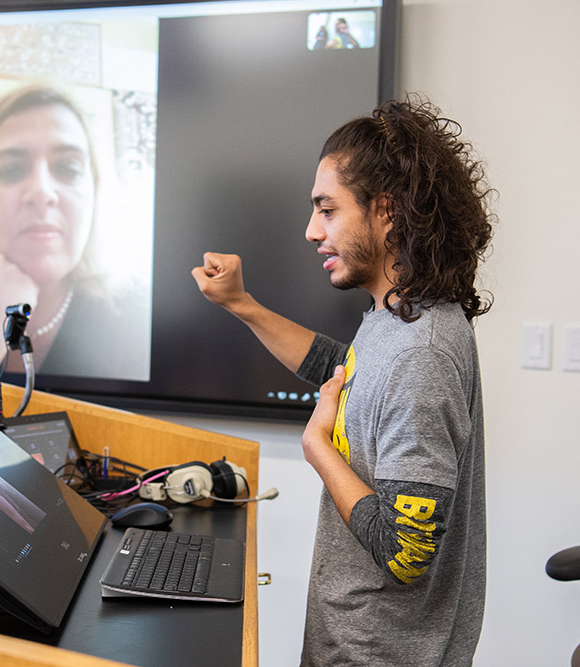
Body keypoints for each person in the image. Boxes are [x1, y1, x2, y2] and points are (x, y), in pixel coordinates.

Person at [192, 96, 494, 665]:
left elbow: (406, 548)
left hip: (379, 653)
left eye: (327, 210)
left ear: (386, 212)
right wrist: (242, 305)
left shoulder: (421, 353)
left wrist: (317, 449)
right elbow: (341, 370)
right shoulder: (398, 317)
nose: (311, 231)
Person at [0, 84, 150, 380]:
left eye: (69, 168)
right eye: (11, 170)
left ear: (95, 196)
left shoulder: (139, 320)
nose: (42, 192)